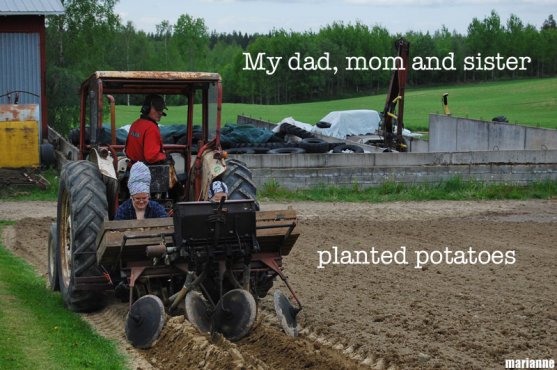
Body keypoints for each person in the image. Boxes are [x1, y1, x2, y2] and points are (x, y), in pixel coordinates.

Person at [125, 94, 168, 164]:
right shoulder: (151, 128)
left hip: (132, 168)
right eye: (157, 109)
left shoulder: (135, 124)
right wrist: (164, 156)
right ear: (146, 108)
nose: (160, 112)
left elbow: (128, 150)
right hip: (145, 172)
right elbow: (151, 157)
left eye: (161, 109)